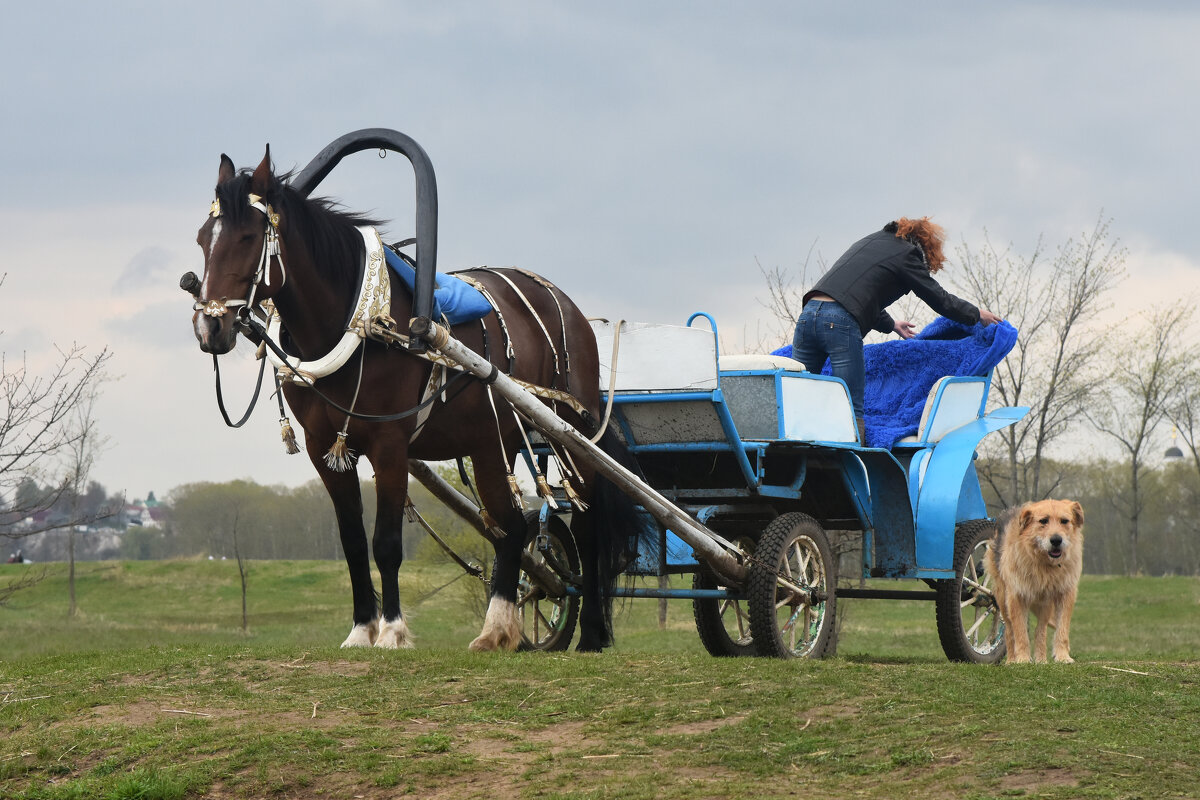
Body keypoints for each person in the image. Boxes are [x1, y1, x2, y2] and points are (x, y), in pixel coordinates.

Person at [791, 217, 1001, 441]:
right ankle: (855, 464)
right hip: (839, 323)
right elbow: (939, 298)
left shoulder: (870, 242)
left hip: (807, 315)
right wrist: (976, 314)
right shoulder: (907, 254)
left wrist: (891, 324)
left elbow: (852, 294)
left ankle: (794, 456)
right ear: (926, 246)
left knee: (798, 397)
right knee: (851, 407)